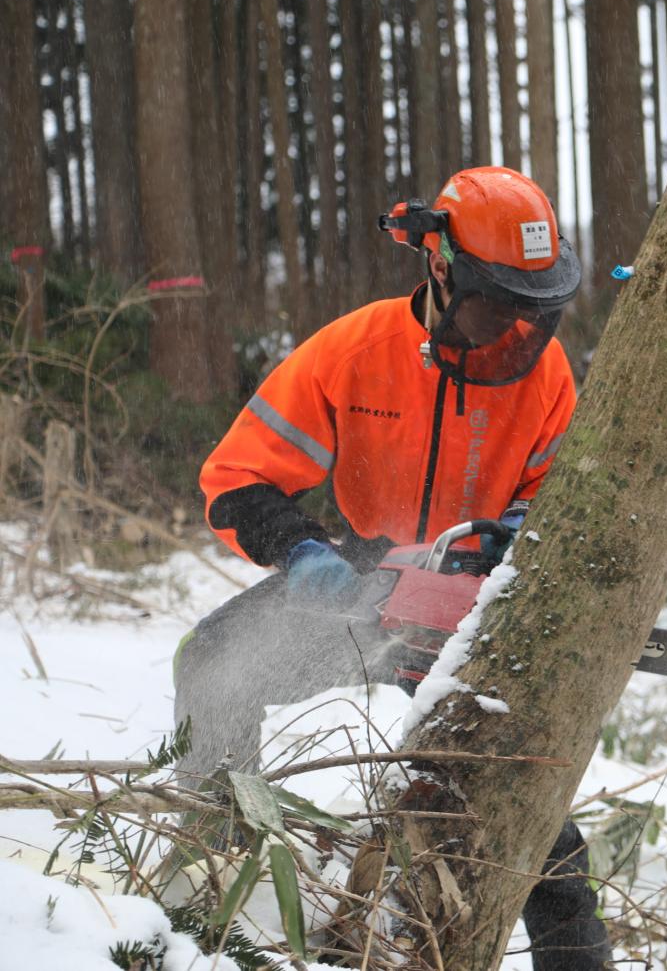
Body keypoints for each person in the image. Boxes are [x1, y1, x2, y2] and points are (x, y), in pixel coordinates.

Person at [173, 167, 610, 969]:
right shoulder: (357, 351)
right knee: (212, 666)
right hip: (367, 584)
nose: (514, 330)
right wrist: (305, 555)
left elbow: (562, 504)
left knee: (524, 808)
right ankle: (214, 873)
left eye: (530, 309)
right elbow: (236, 478)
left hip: (474, 611)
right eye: (496, 305)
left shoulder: (545, 376)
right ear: (440, 266)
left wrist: (505, 538)